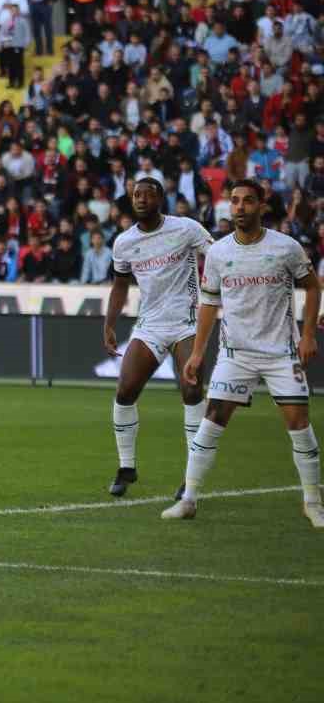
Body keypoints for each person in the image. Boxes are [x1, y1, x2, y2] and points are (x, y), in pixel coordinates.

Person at [161, 180, 322, 527]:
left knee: (299, 423)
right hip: (236, 354)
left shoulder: (286, 248)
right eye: (234, 201)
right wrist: (197, 352)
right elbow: (209, 303)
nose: (240, 207)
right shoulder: (219, 252)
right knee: (211, 421)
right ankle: (188, 499)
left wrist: (308, 335)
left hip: (282, 352)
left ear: (261, 206)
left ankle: (312, 501)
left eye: (248, 201)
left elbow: (312, 286)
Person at [101, 178, 214, 498]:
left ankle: (191, 478)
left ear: (159, 199)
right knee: (125, 390)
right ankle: (126, 467)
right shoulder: (124, 242)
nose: (139, 200)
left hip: (188, 323)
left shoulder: (186, 229)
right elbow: (121, 285)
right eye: (135, 195)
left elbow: (219, 256)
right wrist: (109, 323)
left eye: (146, 195)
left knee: (191, 390)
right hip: (149, 325)